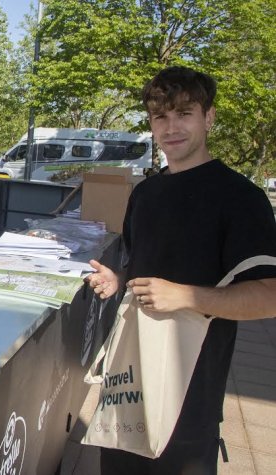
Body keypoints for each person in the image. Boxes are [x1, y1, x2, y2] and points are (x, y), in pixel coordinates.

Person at [86, 66, 276, 474]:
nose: (171, 127)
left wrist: (187, 295)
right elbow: (145, 267)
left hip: (189, 399)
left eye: (184, 113)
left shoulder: (241, 198)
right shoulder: (146, 193)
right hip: (130, 384)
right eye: (160, 117)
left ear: (208, 118)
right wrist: (118, 281)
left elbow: (268, 296)